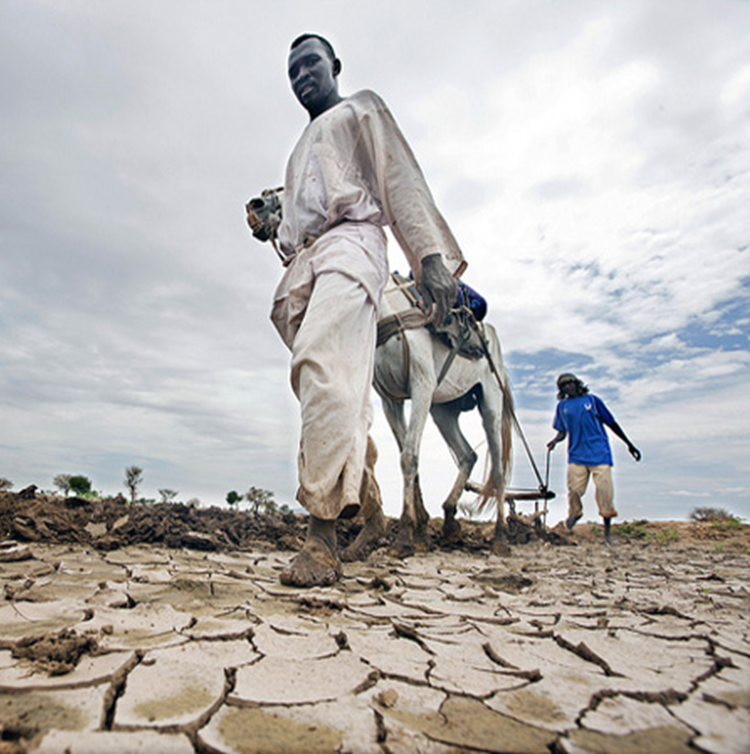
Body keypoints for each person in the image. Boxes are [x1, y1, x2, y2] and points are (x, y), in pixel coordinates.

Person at [262, 33, 467, 586]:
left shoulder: (361, 109)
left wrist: (429, 256)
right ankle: (372, 510)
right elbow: (292, 226)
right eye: (292, 71)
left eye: (311, 64)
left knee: (321, 364)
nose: (302, 76)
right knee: (334, 386)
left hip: (353, 244)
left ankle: (322, 536)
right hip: (306, 261)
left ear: (335, 66)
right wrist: (272, 226)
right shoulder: (298, 148)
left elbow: (399, 176)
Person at [547, 373, 641, 545]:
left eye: (569, 383)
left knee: (604, 492)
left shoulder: (592, 401)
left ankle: (607, 533)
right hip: (577, 454)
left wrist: (629, 444)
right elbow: (562, 432)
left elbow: (611, 423)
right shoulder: (562, 407)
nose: (567, 387)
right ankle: (575, 513)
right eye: (563, 385)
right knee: (574, 490)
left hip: (599, 454)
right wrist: (555, 441)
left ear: (576, 384)